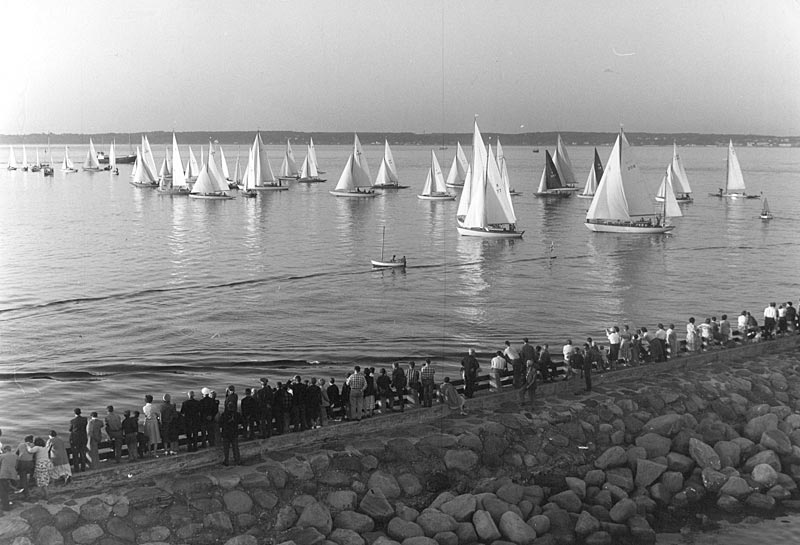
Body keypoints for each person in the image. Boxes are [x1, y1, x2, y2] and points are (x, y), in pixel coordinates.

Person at [69, 408, 88, 473]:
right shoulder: (85, 419)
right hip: (83, 438)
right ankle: (83, 468)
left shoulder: (72, 421)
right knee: (83, 454)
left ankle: (76, 469)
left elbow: (70, 429)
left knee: (75, 455)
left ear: (74, 413)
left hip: (75, 440)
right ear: (80, 412)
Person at [0, 445, 18, 512]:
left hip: (3, 475)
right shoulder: (15, 456)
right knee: (8, 488)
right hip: (13, 475)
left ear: (5, 450)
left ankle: (6, 507)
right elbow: (16, 465)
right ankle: (10, 501)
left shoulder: (2, 456)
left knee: (3, 491)